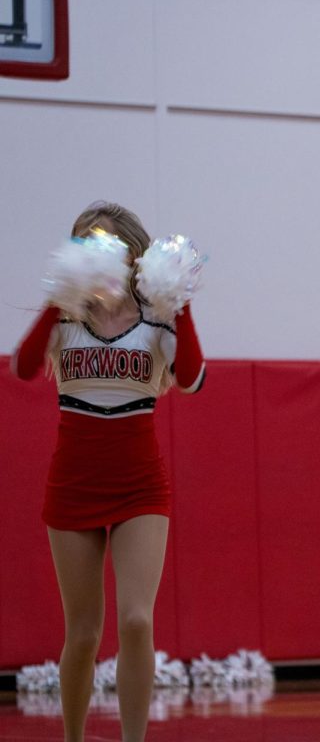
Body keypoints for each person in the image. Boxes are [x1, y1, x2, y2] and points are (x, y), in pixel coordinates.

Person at [11, 201, 206, 742]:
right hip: (73, 484)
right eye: (83, 244)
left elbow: (190, 380)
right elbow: (23, 368)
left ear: (130, 256)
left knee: (137, 620)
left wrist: (180, 305)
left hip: (139, 486)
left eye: (105, 244)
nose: (94, 253)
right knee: (82, 633)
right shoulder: (66, 321)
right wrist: (57, 298)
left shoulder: (156, 322)